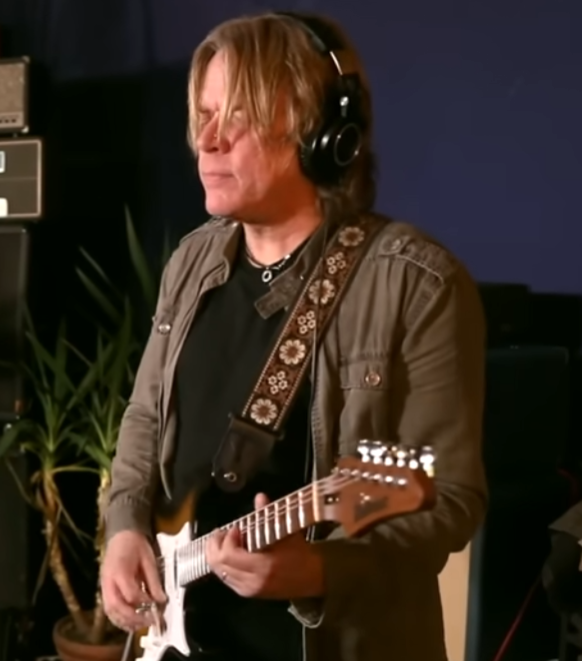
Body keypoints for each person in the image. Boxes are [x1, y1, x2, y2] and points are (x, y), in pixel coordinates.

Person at [101, 10, 488, 661]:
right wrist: (123, 529)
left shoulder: (418, 284)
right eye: (205, 115)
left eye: (239, 116)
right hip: (178, 637)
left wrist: (317, 572)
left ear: (323, 134)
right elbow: (145, 417)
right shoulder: (193, 260)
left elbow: (446, 497)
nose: (209, 142)